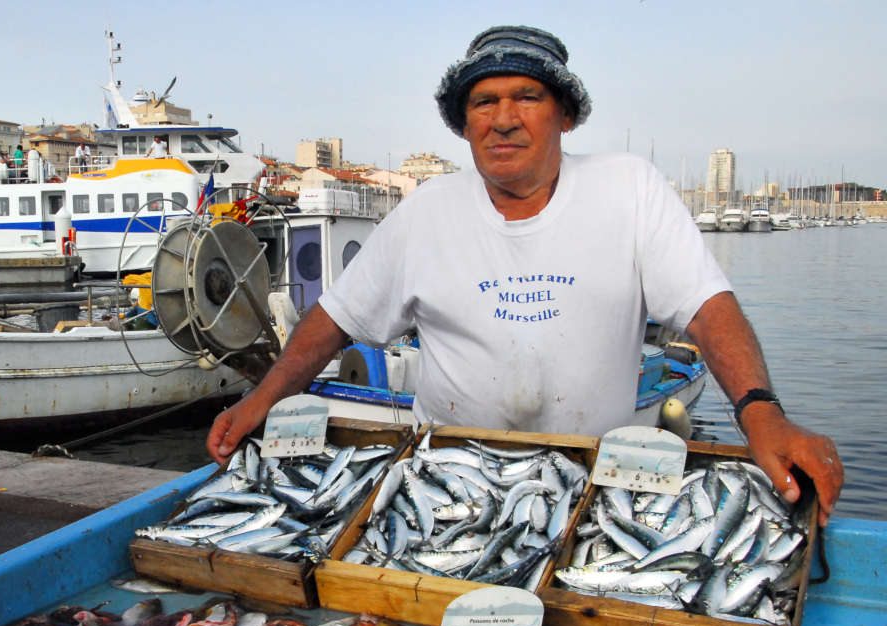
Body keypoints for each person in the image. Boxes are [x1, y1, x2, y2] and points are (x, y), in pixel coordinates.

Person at [206, 25, 843, 524]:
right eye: (483, 102)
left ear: (566, 114)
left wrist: (762, 415)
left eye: (526, 98)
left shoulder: (629, 188)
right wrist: (269, 395)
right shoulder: (427, 209)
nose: (503, 118)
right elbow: (336, 318)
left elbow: (708, 309)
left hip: (595, 480)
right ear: (463, 124)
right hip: (448, 482)